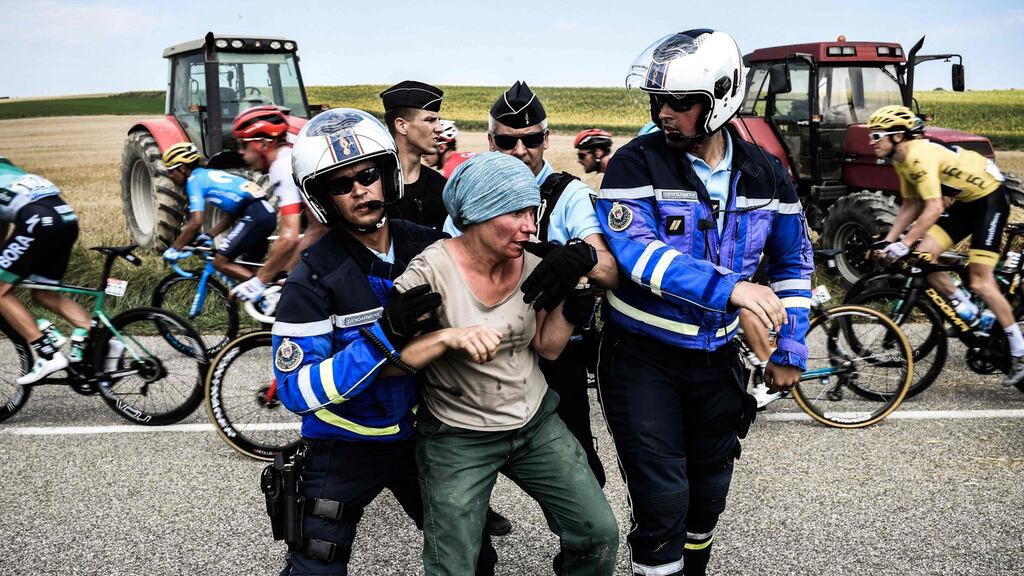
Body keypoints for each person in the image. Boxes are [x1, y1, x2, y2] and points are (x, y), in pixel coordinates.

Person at [597, 29, 813, 576]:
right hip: (643, 357)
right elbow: (638, 256)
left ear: (721, 97)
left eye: (681, 103)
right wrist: (733, 290)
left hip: (719, 359)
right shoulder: (633, 165)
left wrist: (789, 345)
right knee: (662, 497)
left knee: (709, 490)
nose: (666, 113)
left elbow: (791, 264)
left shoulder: (766, 172)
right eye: (659, 102)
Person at [269, 108, 496, 575]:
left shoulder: (430, 245)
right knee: (318, 563)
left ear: (387, 174)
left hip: (425, 436)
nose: (359, 189)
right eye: (340, 183)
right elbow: (296, 391)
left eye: (368, 174)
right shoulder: (310, 280)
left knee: (472, 557)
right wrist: (383, 338)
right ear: (321, 198)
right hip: (342, 444)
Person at [393, 152, 619, 576]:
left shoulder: (534, 264)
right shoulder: (430, 271)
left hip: (533, 424)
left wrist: (576, 306)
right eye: (516, 212)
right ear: (479, 212)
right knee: (452, 564)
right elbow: (392, 364)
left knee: (598, 533)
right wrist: (446, 336)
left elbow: (547, 348)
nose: (530, 225)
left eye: (531, 211)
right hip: (458, 435)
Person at [442, 80, 618, 488]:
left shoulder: (570, 194)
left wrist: (582, 256)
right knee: (463, 458)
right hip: (489, 342)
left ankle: (580, 541)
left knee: (579, 464)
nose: (521, 151)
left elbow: (609, 272)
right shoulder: (472, 189)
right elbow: (448, 259)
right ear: (490, 141)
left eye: (532, 139)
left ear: (547, 138)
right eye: (507, 142)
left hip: (555, 348)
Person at [868, 104, 1024, 386]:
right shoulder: (901, 159)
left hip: (989, 200)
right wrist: (890, 240)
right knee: (923, 256)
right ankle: (969, 314)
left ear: (899, 136)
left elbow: (934, 207)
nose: (872, 141)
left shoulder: (917, 156)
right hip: (966, 202)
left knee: (980, 279)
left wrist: (904, 243)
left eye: (877, 135)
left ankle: (1019, 350)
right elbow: (910, 205)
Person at [0, 156, 92, 384]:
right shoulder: (6, 166)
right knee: (45, 293)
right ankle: (103, 339)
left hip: (37, 221)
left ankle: (47, 353)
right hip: (66, 218)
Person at [230, 105, 326, 301]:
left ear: (262, 144)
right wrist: (287, 272)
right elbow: (319, 227)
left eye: (243, 146)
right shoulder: (292, 157)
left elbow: (288, 238)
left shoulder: (282, 166)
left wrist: (259, 281)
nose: (242, 154)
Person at [160, 142, 276, 283]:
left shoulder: (194, 181)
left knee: (219, 263)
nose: (170, 176)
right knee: (246, 271)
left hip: (254, 216)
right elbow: (233, 213)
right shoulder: (209, 174)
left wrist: (174, 249)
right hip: (265, 213)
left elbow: (196, 222)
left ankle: (262, 290)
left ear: (183, 168)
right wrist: (210, 234)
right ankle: (268, 297)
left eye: (171, 171)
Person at [380, 80, 449, 229]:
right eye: (430, 120)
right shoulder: (372, 186)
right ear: (402, 126)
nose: (439, 128)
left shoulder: (442, 189)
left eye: (438, 120)